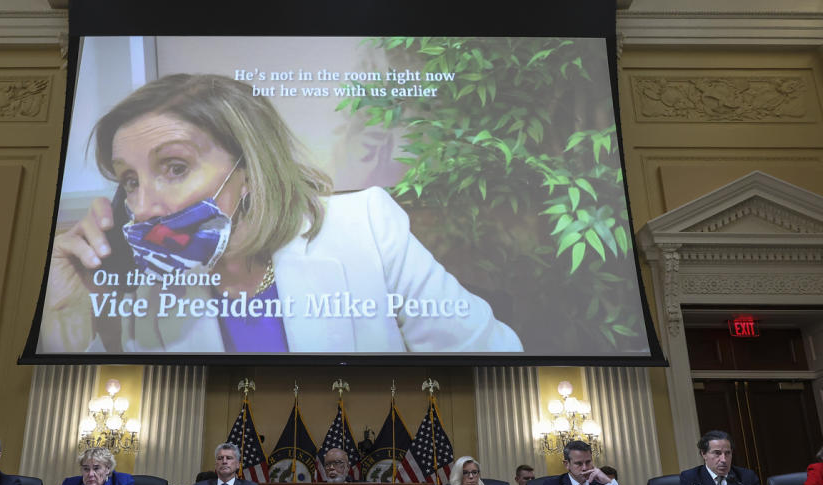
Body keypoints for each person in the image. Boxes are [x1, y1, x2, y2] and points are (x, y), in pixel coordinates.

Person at [39, 73, 522, 354]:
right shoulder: (155, 286)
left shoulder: (367, 228)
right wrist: (64, 321)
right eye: (130, 179)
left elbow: (493, 358)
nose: (142, 207)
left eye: (175, 166)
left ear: (248, 169)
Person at [676, 430, 761, 485]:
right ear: (703, 454)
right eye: (717, 453)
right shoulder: (690, 478)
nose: (723, 460)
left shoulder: (747, 477)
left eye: (727, 453)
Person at [531, 441, 620, 485]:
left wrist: (608, 481)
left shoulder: (600, 483)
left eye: (588, 462)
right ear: (567, 464)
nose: (585, 468)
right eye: (579, 463)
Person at [59, 447, 138, 485]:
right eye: (86, 469)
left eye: (96, 468)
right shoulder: (70, 484)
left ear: (107, 469)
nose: (90, 474)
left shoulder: (122, 481)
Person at [189, 443, 260, 485]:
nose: (224, 461)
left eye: (229, 458)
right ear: (216, 464)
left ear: (238, 464)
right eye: (220, 458)